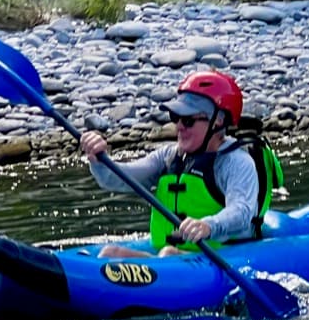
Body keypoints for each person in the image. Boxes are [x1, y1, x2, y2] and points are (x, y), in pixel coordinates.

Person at [80, 70, 259, 258]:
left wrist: (208, 226)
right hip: (175, 257)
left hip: (223, 256)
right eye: (176, 118)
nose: (179, 126)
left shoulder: (236, 162)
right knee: (111, 253)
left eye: (189, 120)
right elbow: (116, 179)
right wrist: (99, 159)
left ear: (218, 121)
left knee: (168, 254)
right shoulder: (168, 156)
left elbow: (242, 211)